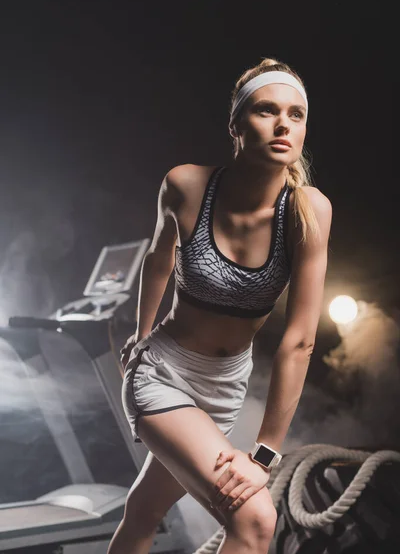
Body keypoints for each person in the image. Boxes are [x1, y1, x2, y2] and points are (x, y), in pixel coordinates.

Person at [108, 57, 332, 554]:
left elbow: (300, 340)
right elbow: (157, 259)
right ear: (236, 123)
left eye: (296, 115)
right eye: (266, 111)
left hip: (225, 390)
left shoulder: (307, 211)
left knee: (143, 514)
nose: (282, 125)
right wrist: (140, 338)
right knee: (254, 522)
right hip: (163, 375)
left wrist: (264, 453)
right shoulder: (186, 185)